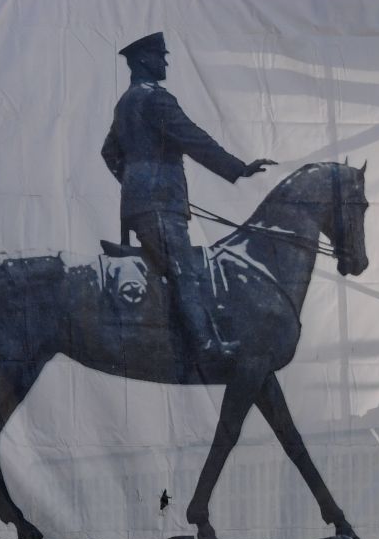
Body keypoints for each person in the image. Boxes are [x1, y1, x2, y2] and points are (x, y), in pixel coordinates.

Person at [101, 31, 275, 367]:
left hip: (142, 202)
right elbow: (193, 139)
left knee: (168, 267)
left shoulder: (125, 102)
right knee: (184, 269)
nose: (164, 62)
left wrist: (134, 181)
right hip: (161, 202)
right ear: (142, 60)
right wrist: (239, 168)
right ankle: (205, 344)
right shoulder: (156, 99)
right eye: (159, 56)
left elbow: (109, 152)